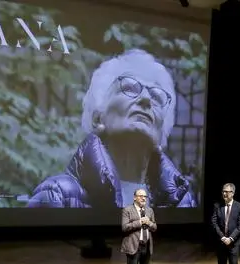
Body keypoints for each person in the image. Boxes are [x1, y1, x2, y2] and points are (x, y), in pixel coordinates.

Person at [28, 49, 196, 208]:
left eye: (157, 96)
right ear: (97, 118)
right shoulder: (57, 195)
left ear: (161, 132)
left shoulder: (182, 201)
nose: (146, 99)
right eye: (130, 87)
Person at [121, 188, 157, 264]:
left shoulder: (149, 210)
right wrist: (140, 222)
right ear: (134, 197)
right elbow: (124, 227)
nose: (143, 198)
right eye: (140, 196)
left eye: (145, 196)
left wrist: (148, 223)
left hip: (146, 245)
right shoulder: (128, 210)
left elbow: (154, 227)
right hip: (133, 246)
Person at [211, 183, 240, 264]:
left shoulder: (239, 207)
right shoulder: (217, 206)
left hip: (234, 243)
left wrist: (230, 239)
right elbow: (214, 223)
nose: (224, 193)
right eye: (223, 191)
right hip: (221, 242)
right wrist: (222, 237)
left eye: (227, 191)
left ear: (233, 193)